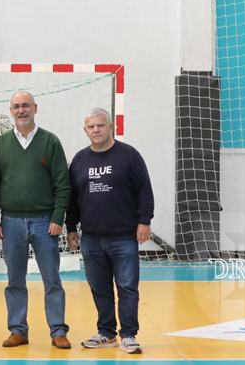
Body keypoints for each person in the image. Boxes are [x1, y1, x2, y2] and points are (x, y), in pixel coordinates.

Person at [65, 107, 154, 355]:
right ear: (85, 131)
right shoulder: (80, 159)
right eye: (91, 126)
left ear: (111, 127)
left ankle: (128, 335)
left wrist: (144, 221)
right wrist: (71, 227)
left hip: (124, 236)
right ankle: (106, 333)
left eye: (101, 125)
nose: (96, 130)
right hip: (91, 238)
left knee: (127, 288)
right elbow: (73, 199)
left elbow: (144, 191)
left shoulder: (129, 155)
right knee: (99, 288)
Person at [0, 91, 71, 349]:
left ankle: (58, 331)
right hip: (11, 222)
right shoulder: (0, 144)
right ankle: (18, 330)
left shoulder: (50, 141)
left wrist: (58, 217)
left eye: (26, 105)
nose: (21, 110)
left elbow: (62, 183)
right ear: (11, 111)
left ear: (35, 108)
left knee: (52, 280)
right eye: (16, 106)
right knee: (15, 281)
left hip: (45, 222)